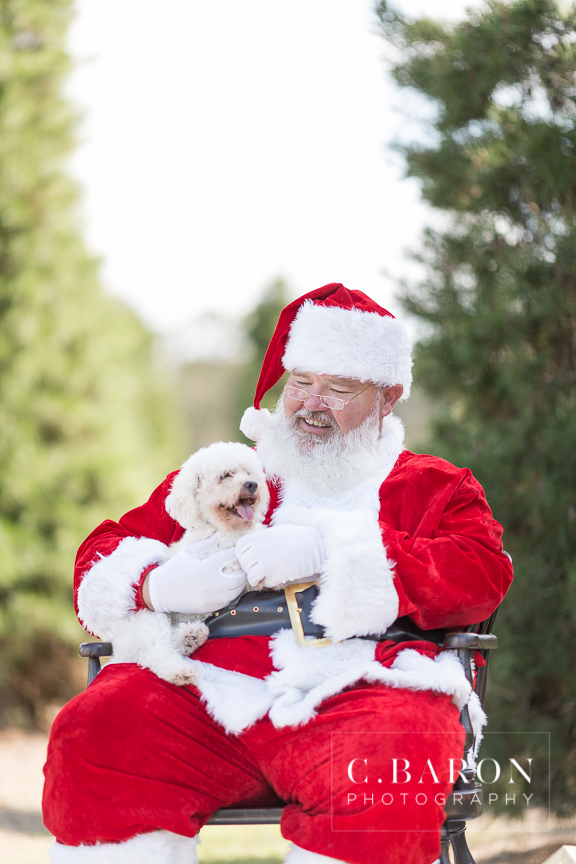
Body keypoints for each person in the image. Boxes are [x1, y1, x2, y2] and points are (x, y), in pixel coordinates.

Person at [42, 283, 513, 864]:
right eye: (300, 383)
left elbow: (479, 573)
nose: (312, 404)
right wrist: (154, 584)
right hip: (203, 693)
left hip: (359, 692)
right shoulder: (231, 472)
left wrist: (332, 549)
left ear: (387, 399)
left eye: (339, 388)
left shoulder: (433, 484)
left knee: (400, 751)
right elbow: (107, 548)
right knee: (97, 728)